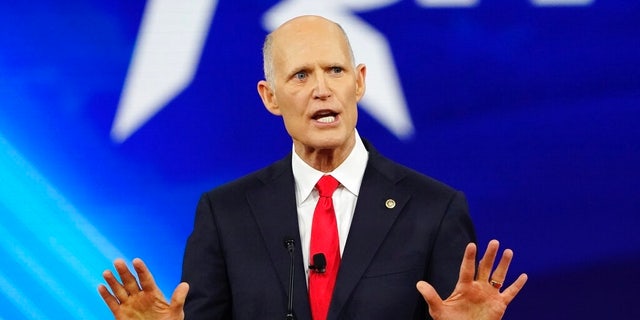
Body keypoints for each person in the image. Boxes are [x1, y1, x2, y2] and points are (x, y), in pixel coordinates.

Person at [98, 15, 527, 320]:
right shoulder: (224, 215)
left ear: (358, 82)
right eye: (301, 75)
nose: (321, 89)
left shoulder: (434, 210)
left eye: (335, 70)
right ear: (270, 97)